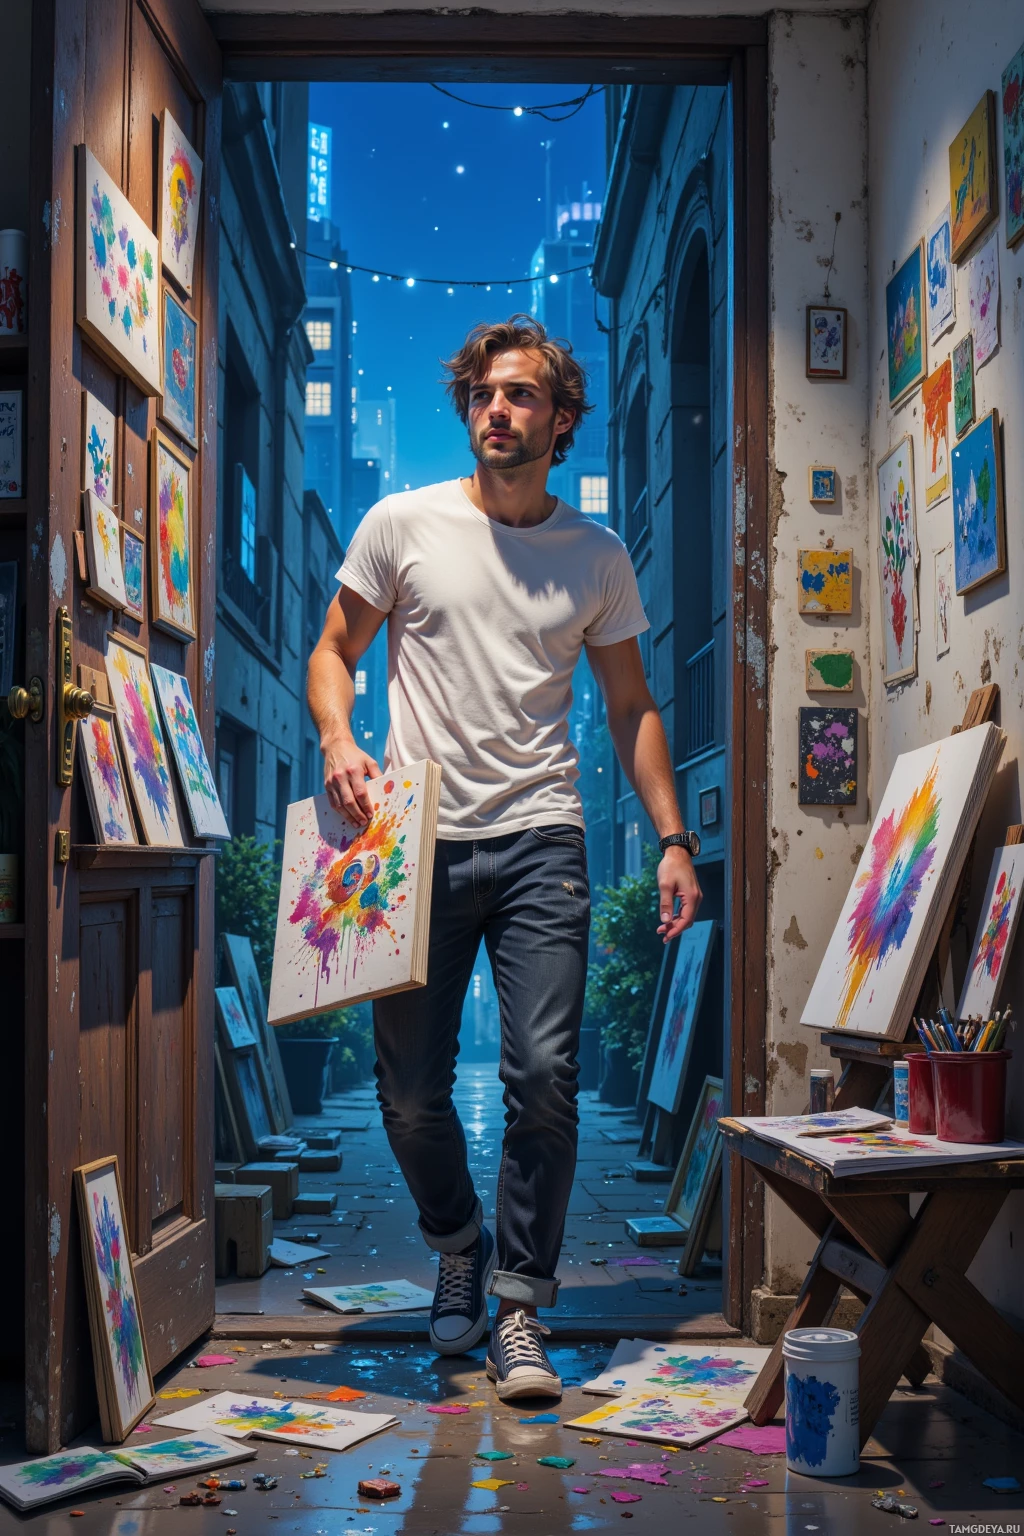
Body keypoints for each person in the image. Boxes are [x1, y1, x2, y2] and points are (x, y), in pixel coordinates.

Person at [307, 316, 702, 1401]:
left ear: (560, 420)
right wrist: (341, 739)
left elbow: (630, 707)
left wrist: (671, 837)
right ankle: (458, 1242)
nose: (497, 409)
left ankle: (519, 1308)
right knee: (408, 1097)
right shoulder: (402, 526)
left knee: (540, 1077)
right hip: (412, 841)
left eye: (522, 395)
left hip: (541, 836)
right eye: (484, 392)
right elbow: (334, 651)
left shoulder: (596, 557)